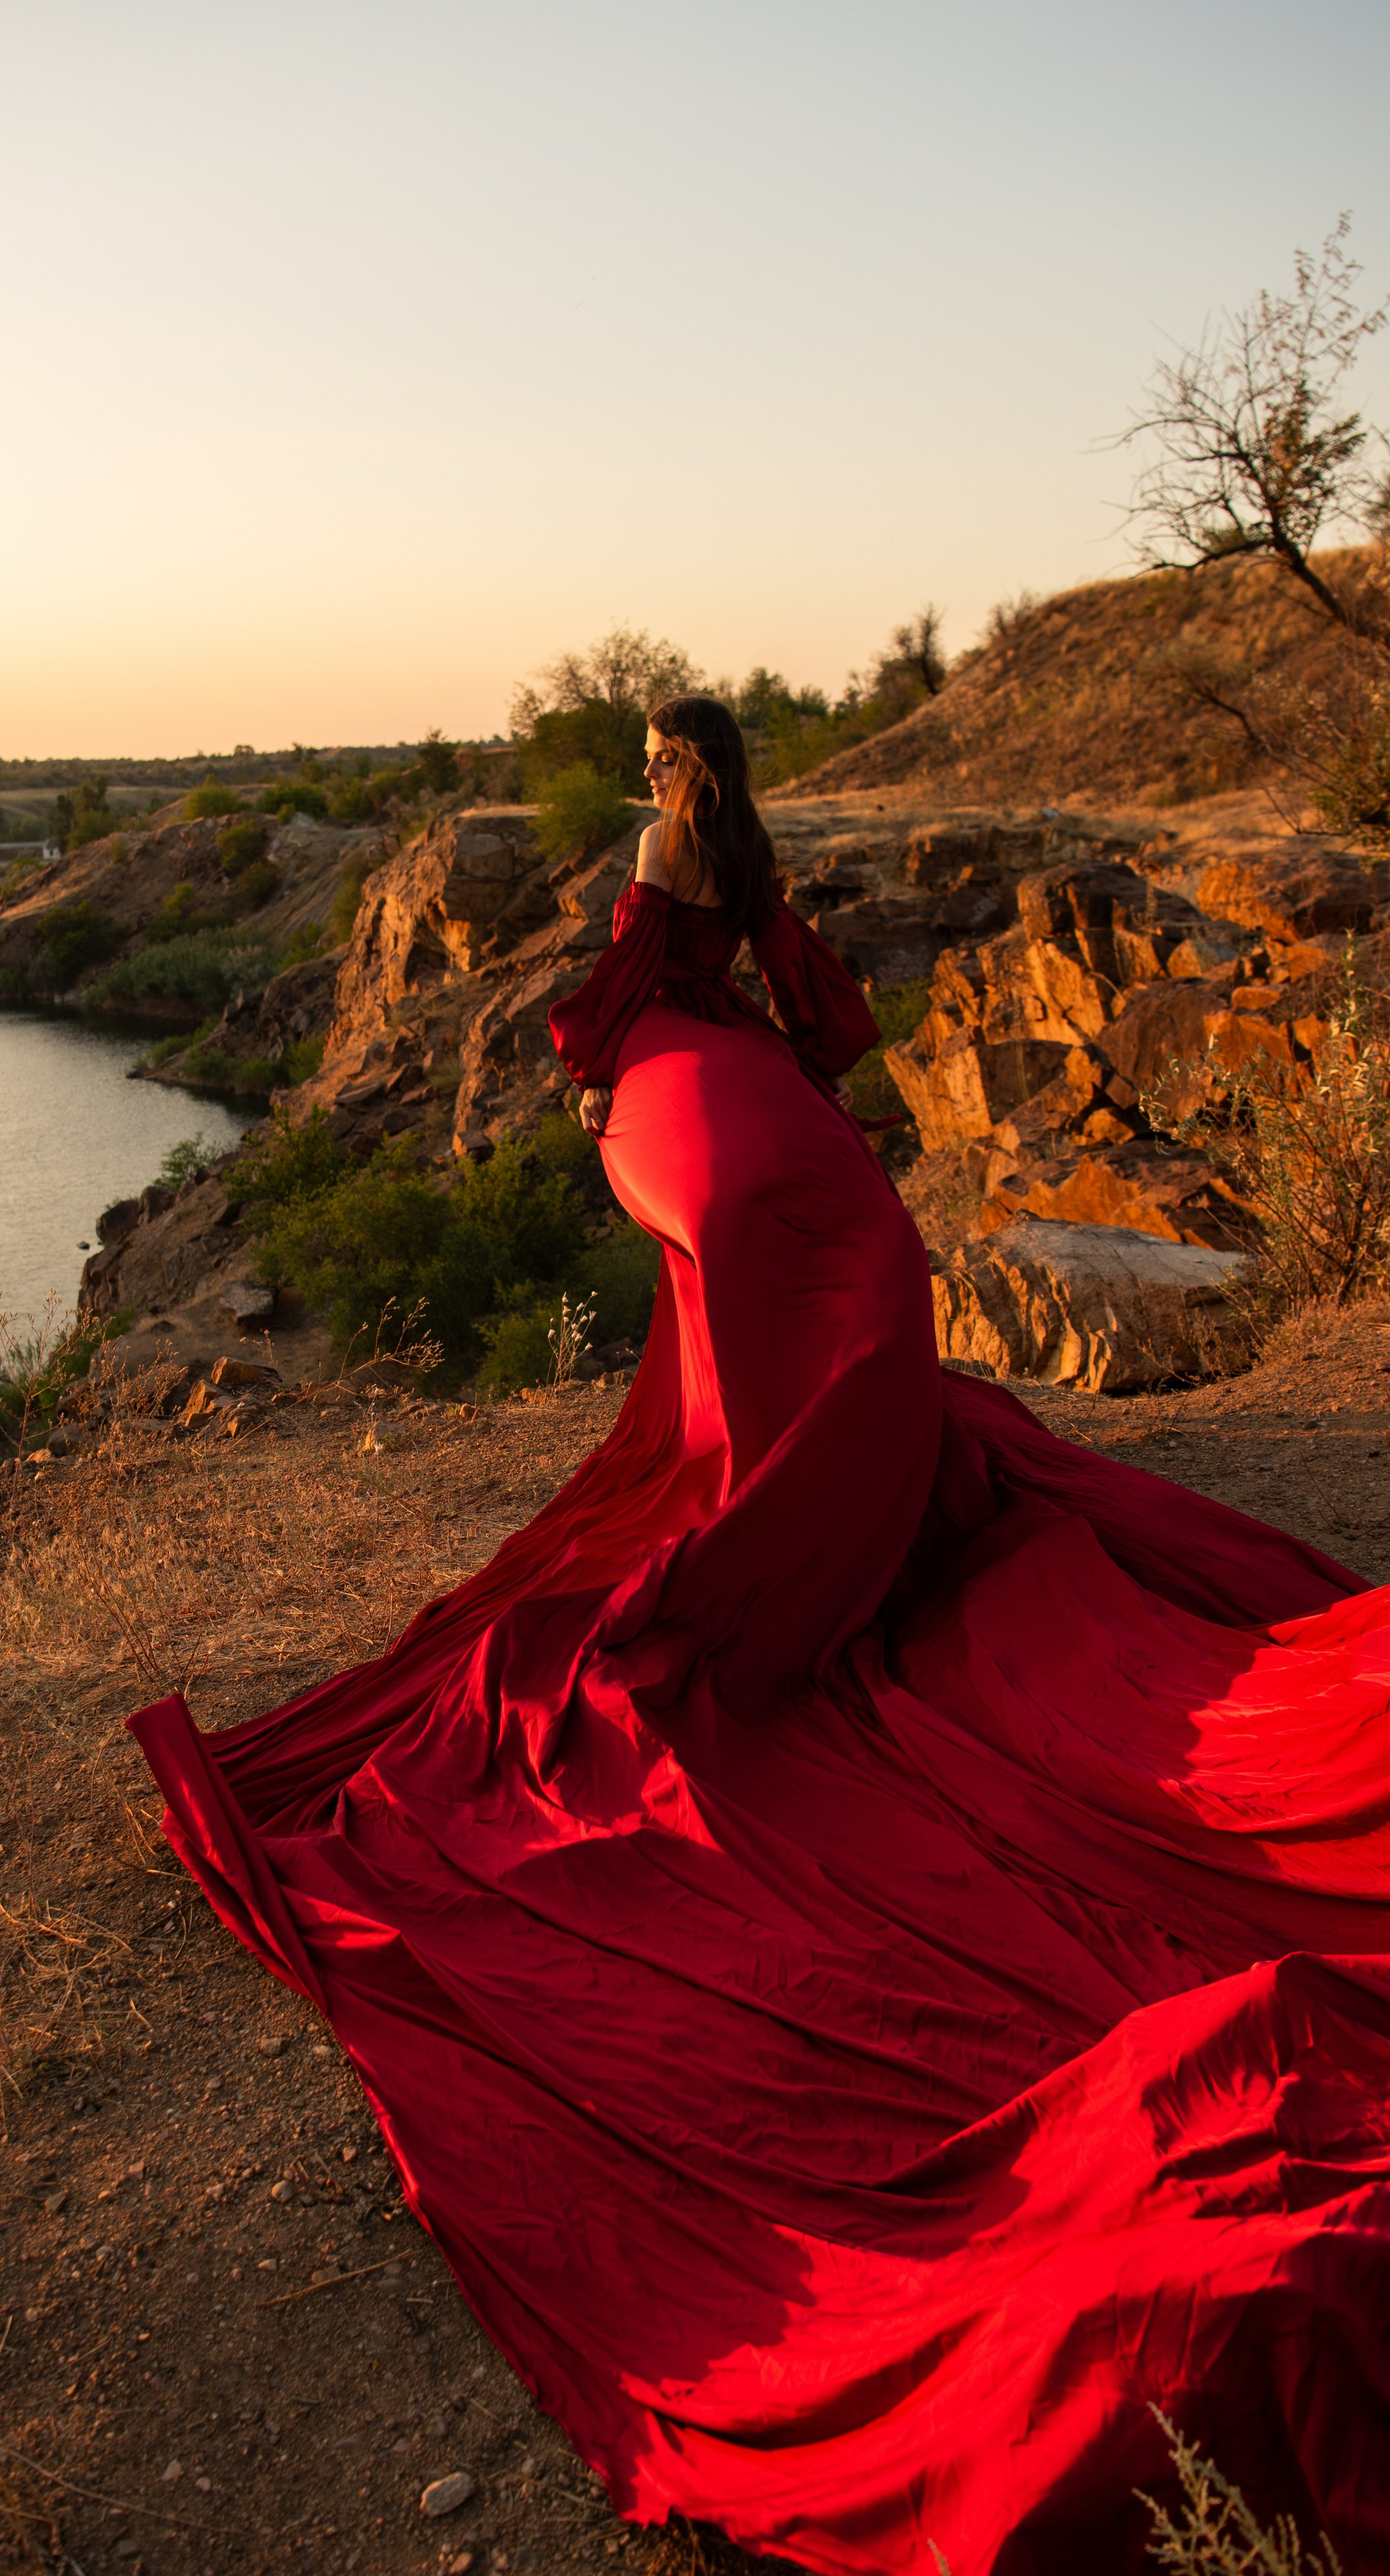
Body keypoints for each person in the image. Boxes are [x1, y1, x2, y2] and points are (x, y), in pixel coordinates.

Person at [133, 698, 1390, 2574]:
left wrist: (601, 1086)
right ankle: (800, 1492)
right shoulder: (750, 846)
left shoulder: (667, 849)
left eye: (652, 746)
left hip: (694, 1108)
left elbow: (624, 989)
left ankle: (771, 1525)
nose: (646, 766)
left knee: (764, 1308)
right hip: (750, 1110)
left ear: (672, 763)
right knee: (829, 1296)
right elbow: (789, 996)